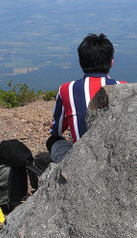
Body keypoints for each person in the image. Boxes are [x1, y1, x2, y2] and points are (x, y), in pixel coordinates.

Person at [46, 33, 126, 163]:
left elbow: (57, 130)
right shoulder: (124, 87)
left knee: (53, 141)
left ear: (80, 62)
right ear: (111, 62)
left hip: (80, 163)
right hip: (116, 160)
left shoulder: (67, 89)